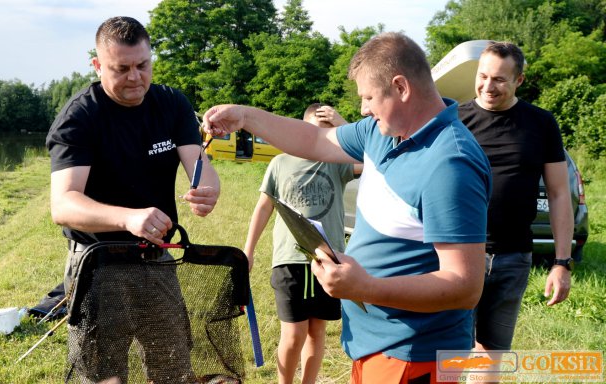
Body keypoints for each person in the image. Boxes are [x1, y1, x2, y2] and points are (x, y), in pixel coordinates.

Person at [204, 32, 492, 384]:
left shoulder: (450, 162)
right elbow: (313, 139)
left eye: (368, 97)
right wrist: (246, 116)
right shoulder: (382, 132)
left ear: (401, 87)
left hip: (414, 354)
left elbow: (464, 286)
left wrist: (366, 287)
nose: (362, 110)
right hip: (374, 344)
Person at [46, 16, 219, 383]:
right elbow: (63, 205)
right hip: (98, 262)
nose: (135, 77)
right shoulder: (80, 117)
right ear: (97, 65)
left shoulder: (171, 104)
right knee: (103, 374)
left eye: (142, 65)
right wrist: (127, 218)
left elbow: (198, 164)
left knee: (172, 367)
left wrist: (208, 189)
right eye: (121, 68)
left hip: (157, 258)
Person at [458, 41, 573, 383]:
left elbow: (558, 193)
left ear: (519, 80)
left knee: (491, 353)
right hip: (457, 256)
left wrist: (561, 262)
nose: (488, 86)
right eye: (483, 76)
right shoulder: (454, 120)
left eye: (499, 79)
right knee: (447, 351)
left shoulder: (541, 124)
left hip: (512, 257)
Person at [244, 103, 358, 384]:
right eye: (318, 132)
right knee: (293, 334)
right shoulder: (280, 163)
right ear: (303, 129)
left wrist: (343, 124)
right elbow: (263, 207)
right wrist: (248, 250)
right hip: (289, 260)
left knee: (317, 332)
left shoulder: (337, 164)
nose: (324, 139)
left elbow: (374, 158)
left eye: (330, 134)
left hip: (328, 261)